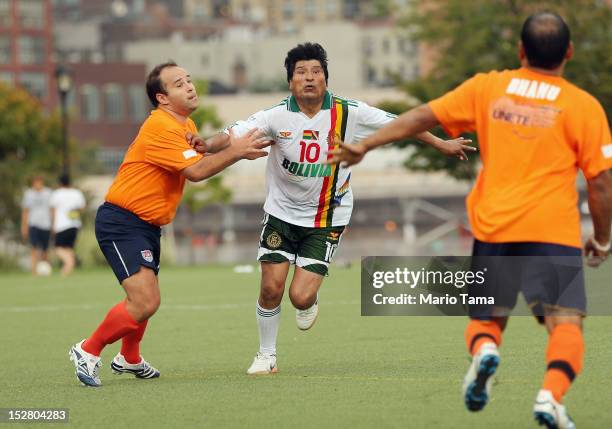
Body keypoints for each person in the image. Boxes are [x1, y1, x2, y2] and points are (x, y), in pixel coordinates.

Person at [329, 12, 611, 429]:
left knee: (486, 319)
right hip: (552, 231)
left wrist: (366, 144)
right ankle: (550, 397)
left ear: (520, 51)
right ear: (569, 53)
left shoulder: (489, 87)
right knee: (565, 322)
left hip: (495, 229)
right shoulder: (583, 106)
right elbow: (602, 184)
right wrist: (602, 241)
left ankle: (484, 353)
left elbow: (423, 116)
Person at [189, 43, 472, 375]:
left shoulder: (350, 112)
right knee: (270, 287)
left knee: (299, 297)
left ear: (325, 77)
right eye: (301, 73)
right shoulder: (274, 116)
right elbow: (230, 135)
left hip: (327, 217)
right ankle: (267, 355)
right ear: (290, 81)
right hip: (281, 214)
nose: (309, 78)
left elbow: (403, 123)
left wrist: (442, 143)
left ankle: (309, 299)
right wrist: (206, 145)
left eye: (316, 72)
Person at [68, 61, 271, 387]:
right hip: (122, 221)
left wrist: (216, 143)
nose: (189, 86)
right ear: (162, 98)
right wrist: (236, 150)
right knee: (145, 301)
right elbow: (197, 172)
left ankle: (130, 358)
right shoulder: (161, 127)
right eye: (179, 84)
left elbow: (197, 155)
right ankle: (88, 350)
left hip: (145, 224)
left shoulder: (181, 123)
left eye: (189, 80)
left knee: (146, 301)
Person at [50, 174, 86, 276]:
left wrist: (53, 226)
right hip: (74, 225)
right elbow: (82, 208)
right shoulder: (76, 193)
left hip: (61, 225)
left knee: (58, 248)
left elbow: (52, 211)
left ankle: (69, 263)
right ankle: (69, 270)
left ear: (60, 183)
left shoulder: (56, 194)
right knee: (68, 248)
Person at [20, 176, 52, 275]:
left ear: (42, 182)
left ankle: (46, 270)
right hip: (33, 223)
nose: (37, 185)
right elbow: (25, 211)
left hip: (46, 224)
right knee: (34, 248)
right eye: (35, 183)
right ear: (33, 183)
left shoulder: (48, 193)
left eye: (39, 182)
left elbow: (52, 209)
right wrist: (24, 226)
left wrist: (53, 223)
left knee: (45, 250)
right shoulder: (28, 194)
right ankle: (34, 271)